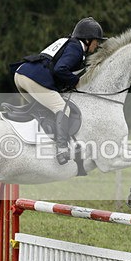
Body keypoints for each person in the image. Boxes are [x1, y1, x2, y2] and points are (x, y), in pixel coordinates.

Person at [14, 17, 107, 164]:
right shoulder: (76, 48)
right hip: (34, 78)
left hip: (22, 74)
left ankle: (37, 145)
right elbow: (60, 69)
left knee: (47, 110)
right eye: (96, 40)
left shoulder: (68, 42)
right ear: (88, 39)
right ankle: (62, 149)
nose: (97, 45)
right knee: (62, 108)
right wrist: (75, 81)